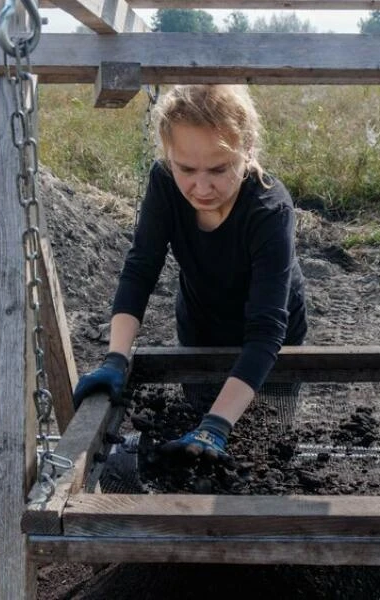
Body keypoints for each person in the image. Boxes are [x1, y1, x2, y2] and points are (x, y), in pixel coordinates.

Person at [72, 84, 307, 463]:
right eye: (186, 168)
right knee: (195, 437)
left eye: (218, 169)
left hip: (272, 342)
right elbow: (140, 268)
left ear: (247, 150)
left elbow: (266, 330)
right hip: (201, 327)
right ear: (169, 157)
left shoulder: (269, 209)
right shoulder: (164, 183)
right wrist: (116, 358)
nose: (201, 187)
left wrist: (217, 425)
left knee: (264, 447)